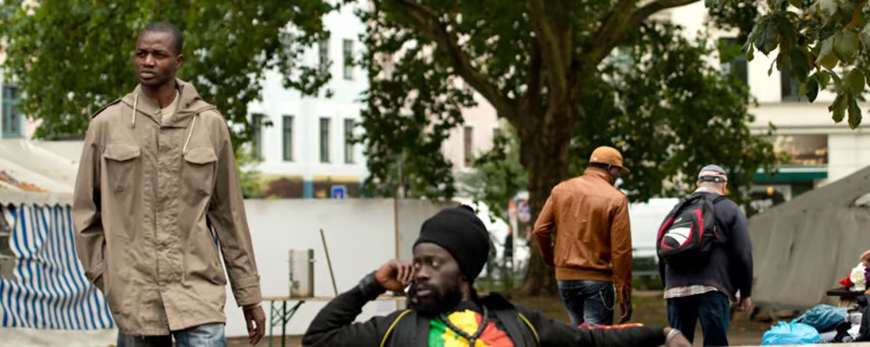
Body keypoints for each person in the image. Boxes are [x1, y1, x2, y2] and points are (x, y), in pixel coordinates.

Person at [73, 22, 266, 347]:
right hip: (134, 294)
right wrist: (108, 275)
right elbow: (85, 213)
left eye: (158, 55)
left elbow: (229, 215)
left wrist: (249, 295)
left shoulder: (209, 124)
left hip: (197, 288)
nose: (147, 61)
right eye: (141, 54)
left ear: (178, 61)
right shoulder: (107, 124)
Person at [303, 205, 690, 347]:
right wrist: (369, 285)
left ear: (465, 272)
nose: (419, 273)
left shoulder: (517, 322)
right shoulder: (397, 328)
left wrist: (663, 334)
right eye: (416, 262)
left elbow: (587, 340)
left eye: (434, 263)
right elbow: (319, 339)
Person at [534, 146, 633, 327]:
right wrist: (624, 296)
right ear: (611, 168)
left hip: (565, 279)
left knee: (578, 337)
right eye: (618, 171)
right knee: (596, 339)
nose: (618, 177)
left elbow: (540, 229)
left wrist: (552, 259)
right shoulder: (616, 199)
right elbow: (621, 251)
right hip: (597, 280)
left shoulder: (560, 190)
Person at [659, 165, 753, 347]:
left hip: (675, 288)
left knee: (679, 343)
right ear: (724, 185)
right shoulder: (730, 209)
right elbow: (743, 254)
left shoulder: (678, 209)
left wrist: (668, 286)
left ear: (697, 183)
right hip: (712, 287)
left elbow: (663, 249)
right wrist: (745, 292)